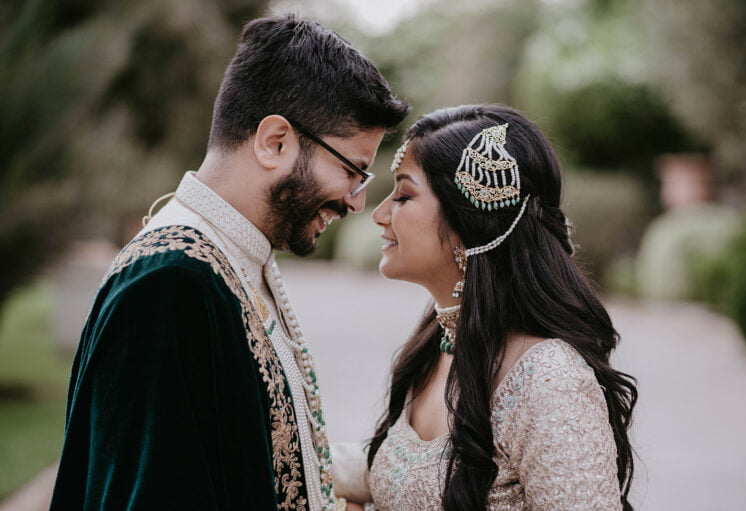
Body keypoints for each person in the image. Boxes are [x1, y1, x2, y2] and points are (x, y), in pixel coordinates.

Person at [50, 15, 409, 511]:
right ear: (274, 142)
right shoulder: (169, 283)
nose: (356, 201)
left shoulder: (234, 258)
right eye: (351, 170)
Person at [360, 105, 638, 510]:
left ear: (468, 222)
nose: (379, 214)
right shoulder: (435, 344)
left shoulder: (548, 381)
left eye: (403, 195)